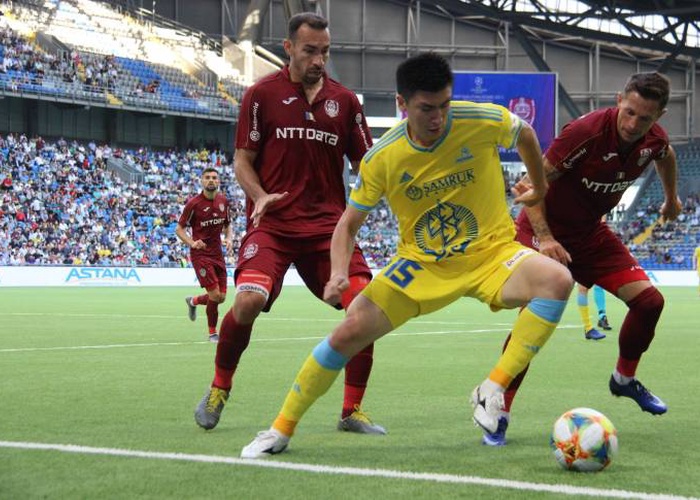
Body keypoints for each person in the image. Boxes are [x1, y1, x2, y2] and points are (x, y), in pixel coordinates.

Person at [239, 52, 574, 458]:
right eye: (427, 108)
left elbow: (525, 136)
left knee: (557, 280)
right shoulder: (382, 157)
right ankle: (280, 429)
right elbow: (347, 225)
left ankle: (492, 388)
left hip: (491, 253)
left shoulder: (481, 119)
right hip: (420, 266)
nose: (439, 117)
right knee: (347, 332)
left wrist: (539, 187)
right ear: (402, 103)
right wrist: (338, 272)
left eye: (445, 105)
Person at [193, 12, 385, 435]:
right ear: (289, 48)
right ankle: (219, 387)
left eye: (325, 52)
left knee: (366, 308)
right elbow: (242, 160)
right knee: (248, 301)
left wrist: (380, 187)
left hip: (328, 231)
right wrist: (259, 195)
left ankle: (351, 410)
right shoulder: (261, 95)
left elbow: (367, 164)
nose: (319, 60)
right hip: (273, 226)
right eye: (310, 51)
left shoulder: (345, 102)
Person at [491, 72, 682, 447]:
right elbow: (531, 187)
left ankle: (624, 379)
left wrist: (671, 198)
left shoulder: (654, 140)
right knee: (532, 324)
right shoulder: (585, 133)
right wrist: (546, 238)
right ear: (618, 100)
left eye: (644, 118)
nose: (633, 124)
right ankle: (498, 410)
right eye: (629, 112)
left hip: (590, 234)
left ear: (658, 116)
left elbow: (666, 155)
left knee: (650, 302)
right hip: (542, 230)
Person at [176, 167, 233, 342]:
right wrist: (192, 243)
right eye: (207, 177)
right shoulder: (193, 204)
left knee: (221, 298)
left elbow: (227, 225)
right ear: (201, 181)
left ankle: (193, 301)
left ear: (219, 181)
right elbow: (179, 229)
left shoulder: (224, 201)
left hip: (218, 254)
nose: (211, 180)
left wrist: (229, 238)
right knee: (215, 295)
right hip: (201, 255)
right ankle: (212, 333)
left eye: (214, 177)